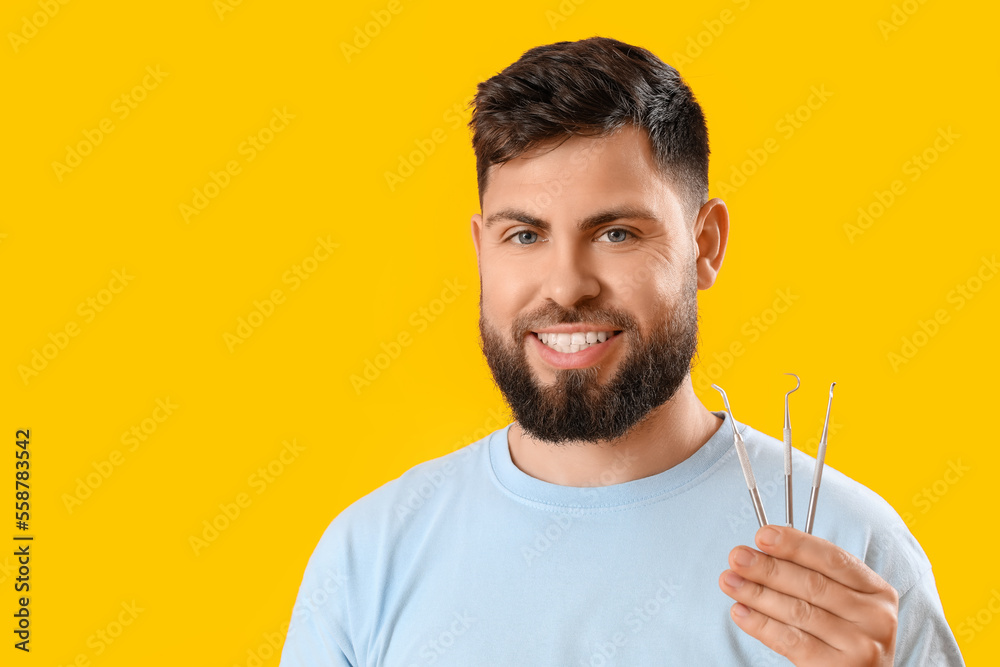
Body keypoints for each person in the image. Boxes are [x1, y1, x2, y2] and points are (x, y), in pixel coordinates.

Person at [279, 36, 964, 666]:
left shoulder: (851, 554)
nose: (567, 286)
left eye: (616, 234)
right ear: (481, 248)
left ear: (705, 244)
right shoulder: (368, 558)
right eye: (524, 235)